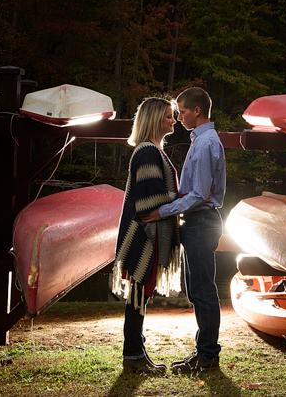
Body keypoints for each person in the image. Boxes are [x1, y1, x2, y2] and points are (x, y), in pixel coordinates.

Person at [139, 86, 226, 373]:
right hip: (199, 222)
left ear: (197, 111)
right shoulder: (203, 141)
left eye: (183, 112)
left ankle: (208, 356)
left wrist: (161, 211)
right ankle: (203, 351)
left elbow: (199, 194)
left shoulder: (204, 144)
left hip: (201, 222)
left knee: (202, 290)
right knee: (198, 290)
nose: (180, 117)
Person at [113, 97, 183, 374]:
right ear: (155, 120)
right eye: (168, 116)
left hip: (149, 233)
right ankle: (132, 355)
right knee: (138, 294)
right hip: (144, 235)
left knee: (140, 295)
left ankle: (136, 352)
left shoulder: (153, 151)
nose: (173, 121)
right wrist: (184, 197)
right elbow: (149, 200)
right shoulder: (147, 152)